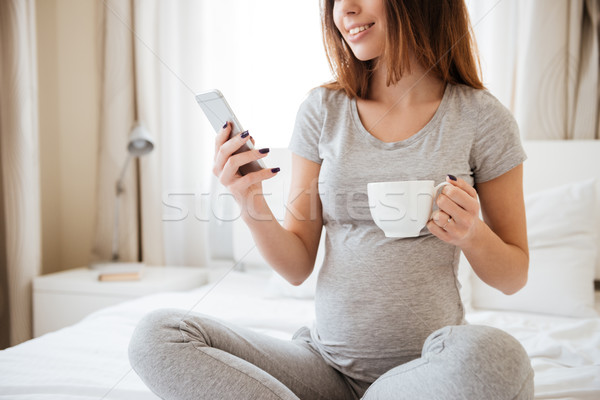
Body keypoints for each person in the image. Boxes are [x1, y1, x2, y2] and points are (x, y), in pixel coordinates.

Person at [128, 0, 534, 398]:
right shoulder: (322, 109)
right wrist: (249, 198)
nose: (345, 9)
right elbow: (296, 266)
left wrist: (471, 234)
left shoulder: (481, 117)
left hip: (427, 375)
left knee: (496, 355)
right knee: (158, 334)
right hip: (325, 371)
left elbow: (513, 276)